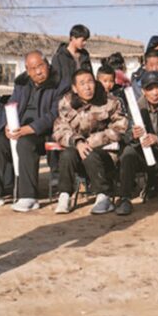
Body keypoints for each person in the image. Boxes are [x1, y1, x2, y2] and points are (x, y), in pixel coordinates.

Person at [0, 51, 66, 211]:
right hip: (19, 128)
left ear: (47, 64)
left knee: (26, 143)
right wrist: (7, 125)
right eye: (33, 68)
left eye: (41, 66)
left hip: (45, 132)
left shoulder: (60, 83)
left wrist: (30, 129)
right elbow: (11, 104)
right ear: (27, 70)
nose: (38, 71)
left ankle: (28, 196)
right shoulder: (22, 83)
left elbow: (55, 113)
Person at [52, 68, 128, 215]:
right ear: (75, 88)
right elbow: (59, 130)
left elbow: (120, 128)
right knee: (67, 154)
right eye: (82, 84)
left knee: (90, 153)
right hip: (78, 151)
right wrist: (78, 141)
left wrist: (94, 141)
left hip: (105, 154)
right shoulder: (66, 102)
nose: (87, 87)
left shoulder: (111, 102)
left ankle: (103, 196)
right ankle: (64, 195)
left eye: (90, 82)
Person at [116, 71, 158, 216]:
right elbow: (127, 135)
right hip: (145, 154)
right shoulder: (136, 108)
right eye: (150, 89)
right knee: (128, 152)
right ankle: (124, 199)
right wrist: (134, 136)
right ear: (143, 91)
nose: (155, 93)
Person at [51, 24, 91, 89]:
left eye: (86, 40)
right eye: (83, 40)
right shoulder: (59, 57)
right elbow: (55, 81)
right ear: (73, 38)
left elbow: (90, 76)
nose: (85, 43)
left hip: (84, 93)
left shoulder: (85, 56)